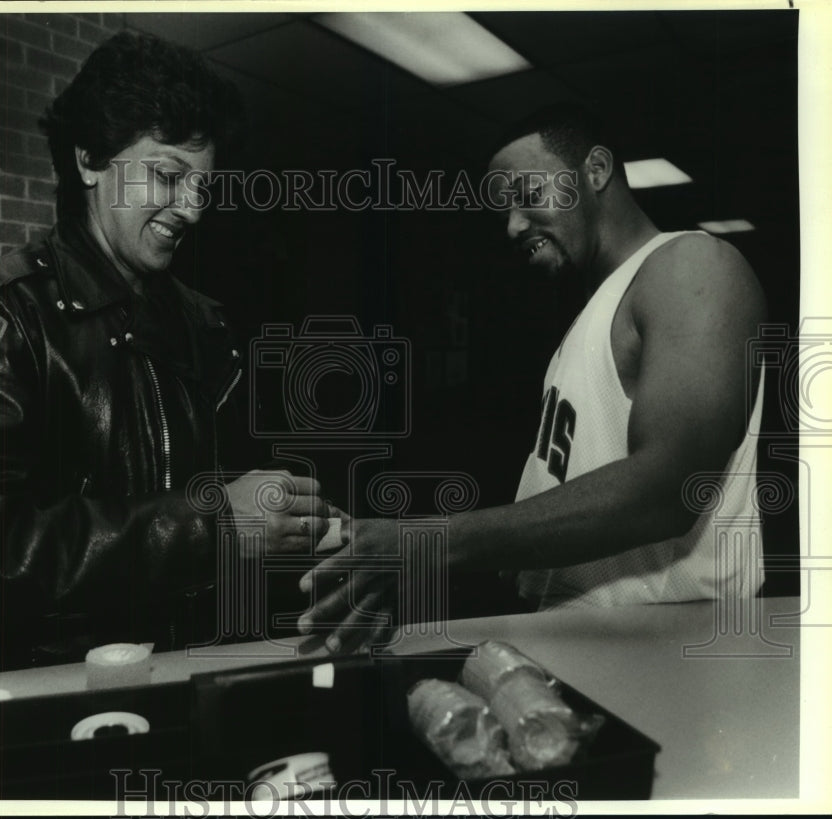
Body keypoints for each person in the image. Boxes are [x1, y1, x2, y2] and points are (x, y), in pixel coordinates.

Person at [0, 31, 329, 670]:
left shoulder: (206, 325)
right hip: (45, 687)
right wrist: (209, 529)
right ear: (89, 161)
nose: (190, 209)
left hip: (187, 673)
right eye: (166, 175)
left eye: (203, 188)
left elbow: (237, 505)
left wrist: (298, 528)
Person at [299, 103, 767, 652]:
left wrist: (433, 543)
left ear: (595, 172)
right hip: (595, 640)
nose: (514, 224)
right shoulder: (592, 316)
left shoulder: (691, 264)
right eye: (503, 209)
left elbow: (669, 489)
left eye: (528, 196)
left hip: (673, 650)